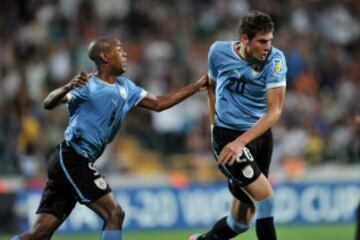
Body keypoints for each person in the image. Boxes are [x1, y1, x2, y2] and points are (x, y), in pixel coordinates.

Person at [12, 37, 208, 240]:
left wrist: (196, 86)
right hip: (71, 158)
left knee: (39, 234)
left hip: (74, 161)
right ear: (105, 56)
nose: (124, 54)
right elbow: (49, 102)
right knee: (114, 213)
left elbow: (159, 102)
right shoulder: (88, 85)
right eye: (118, 50)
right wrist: (68, 86)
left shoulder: (127, 87)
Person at [190, 11, 287, 240]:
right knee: (266, 197)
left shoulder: (275, 60)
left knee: (239, 222)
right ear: (245, 39)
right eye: (262, 41)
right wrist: (215, 129)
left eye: (270, 40)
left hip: (259, 136)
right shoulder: (218, 52)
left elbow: (275, 111)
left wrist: (242, 141)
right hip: (228, 136)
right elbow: (212, 88)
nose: (268, 46)